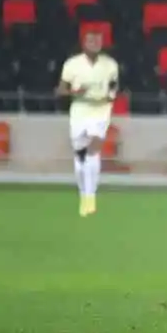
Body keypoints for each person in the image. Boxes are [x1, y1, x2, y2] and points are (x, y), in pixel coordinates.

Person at [57, 29, 119, 217]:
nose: (95, 44)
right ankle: (83, 193)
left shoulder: (110, 65)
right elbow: (61, 89)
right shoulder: (72, 64)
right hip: (79, 111)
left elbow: (114, 84)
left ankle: (91, 197)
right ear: (84, 43)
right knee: (80, 156)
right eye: (91, 41)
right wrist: (75, 93)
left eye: (98, 41)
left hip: (100, 111)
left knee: (94, 150)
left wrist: (110, 96)